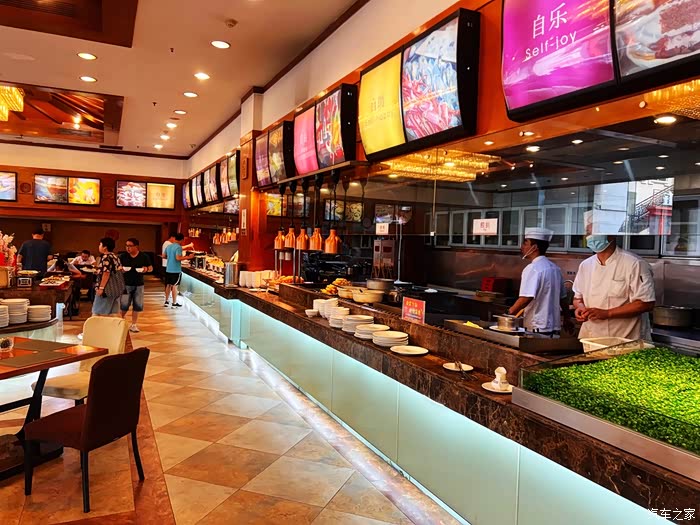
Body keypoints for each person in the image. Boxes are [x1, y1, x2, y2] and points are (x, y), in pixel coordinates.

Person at [573, 235, 656, 340]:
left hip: (626, 340)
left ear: (612, 235)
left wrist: (607, 313)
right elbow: (577, 298)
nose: (592, 236)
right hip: (592, 339)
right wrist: (580, 308)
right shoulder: (585, 265)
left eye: (597, 232)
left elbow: (646, 303)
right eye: (589, 232)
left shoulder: (635, 263)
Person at [508, 228, 569, 335]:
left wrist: (509, 313)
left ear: (534, 247)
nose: (522, 247)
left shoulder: (532, 268)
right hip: (554, 328)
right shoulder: (555, 268)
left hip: (537, 328)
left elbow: (525, 298)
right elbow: (563, 299)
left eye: (525, 243)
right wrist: (567, 319)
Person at [119, 238, 152, 332]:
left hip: (139, 284)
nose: (128, 248)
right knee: (124, 305)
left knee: (137, 305)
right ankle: (119, 323)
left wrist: (146, 269)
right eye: (126, 246)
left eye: (130, 246)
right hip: (125, 284)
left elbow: (150, 268)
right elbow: (118, 266)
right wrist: (121, 269)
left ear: (136, 246)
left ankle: (133, 325)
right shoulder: (123, 256)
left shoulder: (144, 256)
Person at [92, 237, 123, 316]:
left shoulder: (106, 257)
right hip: (115, 288)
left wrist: (101, 288)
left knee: (97, 312)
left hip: (107, 288)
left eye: (100, 244)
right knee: (113, 313)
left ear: (105, 247)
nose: (99, 246)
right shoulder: (115, 256)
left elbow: (106, 273)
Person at [164, 233, 194, 308]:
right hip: (175, 270)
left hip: (168, 269)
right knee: (174, 286)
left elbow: (164, 256)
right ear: (182, 240)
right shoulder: (178, 247)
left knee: (168, 285)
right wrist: (188, 257)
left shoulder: (169, 246)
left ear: (175, 238)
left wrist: (170, 258)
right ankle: (174, 303)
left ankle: (166, 301)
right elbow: (178, 258)